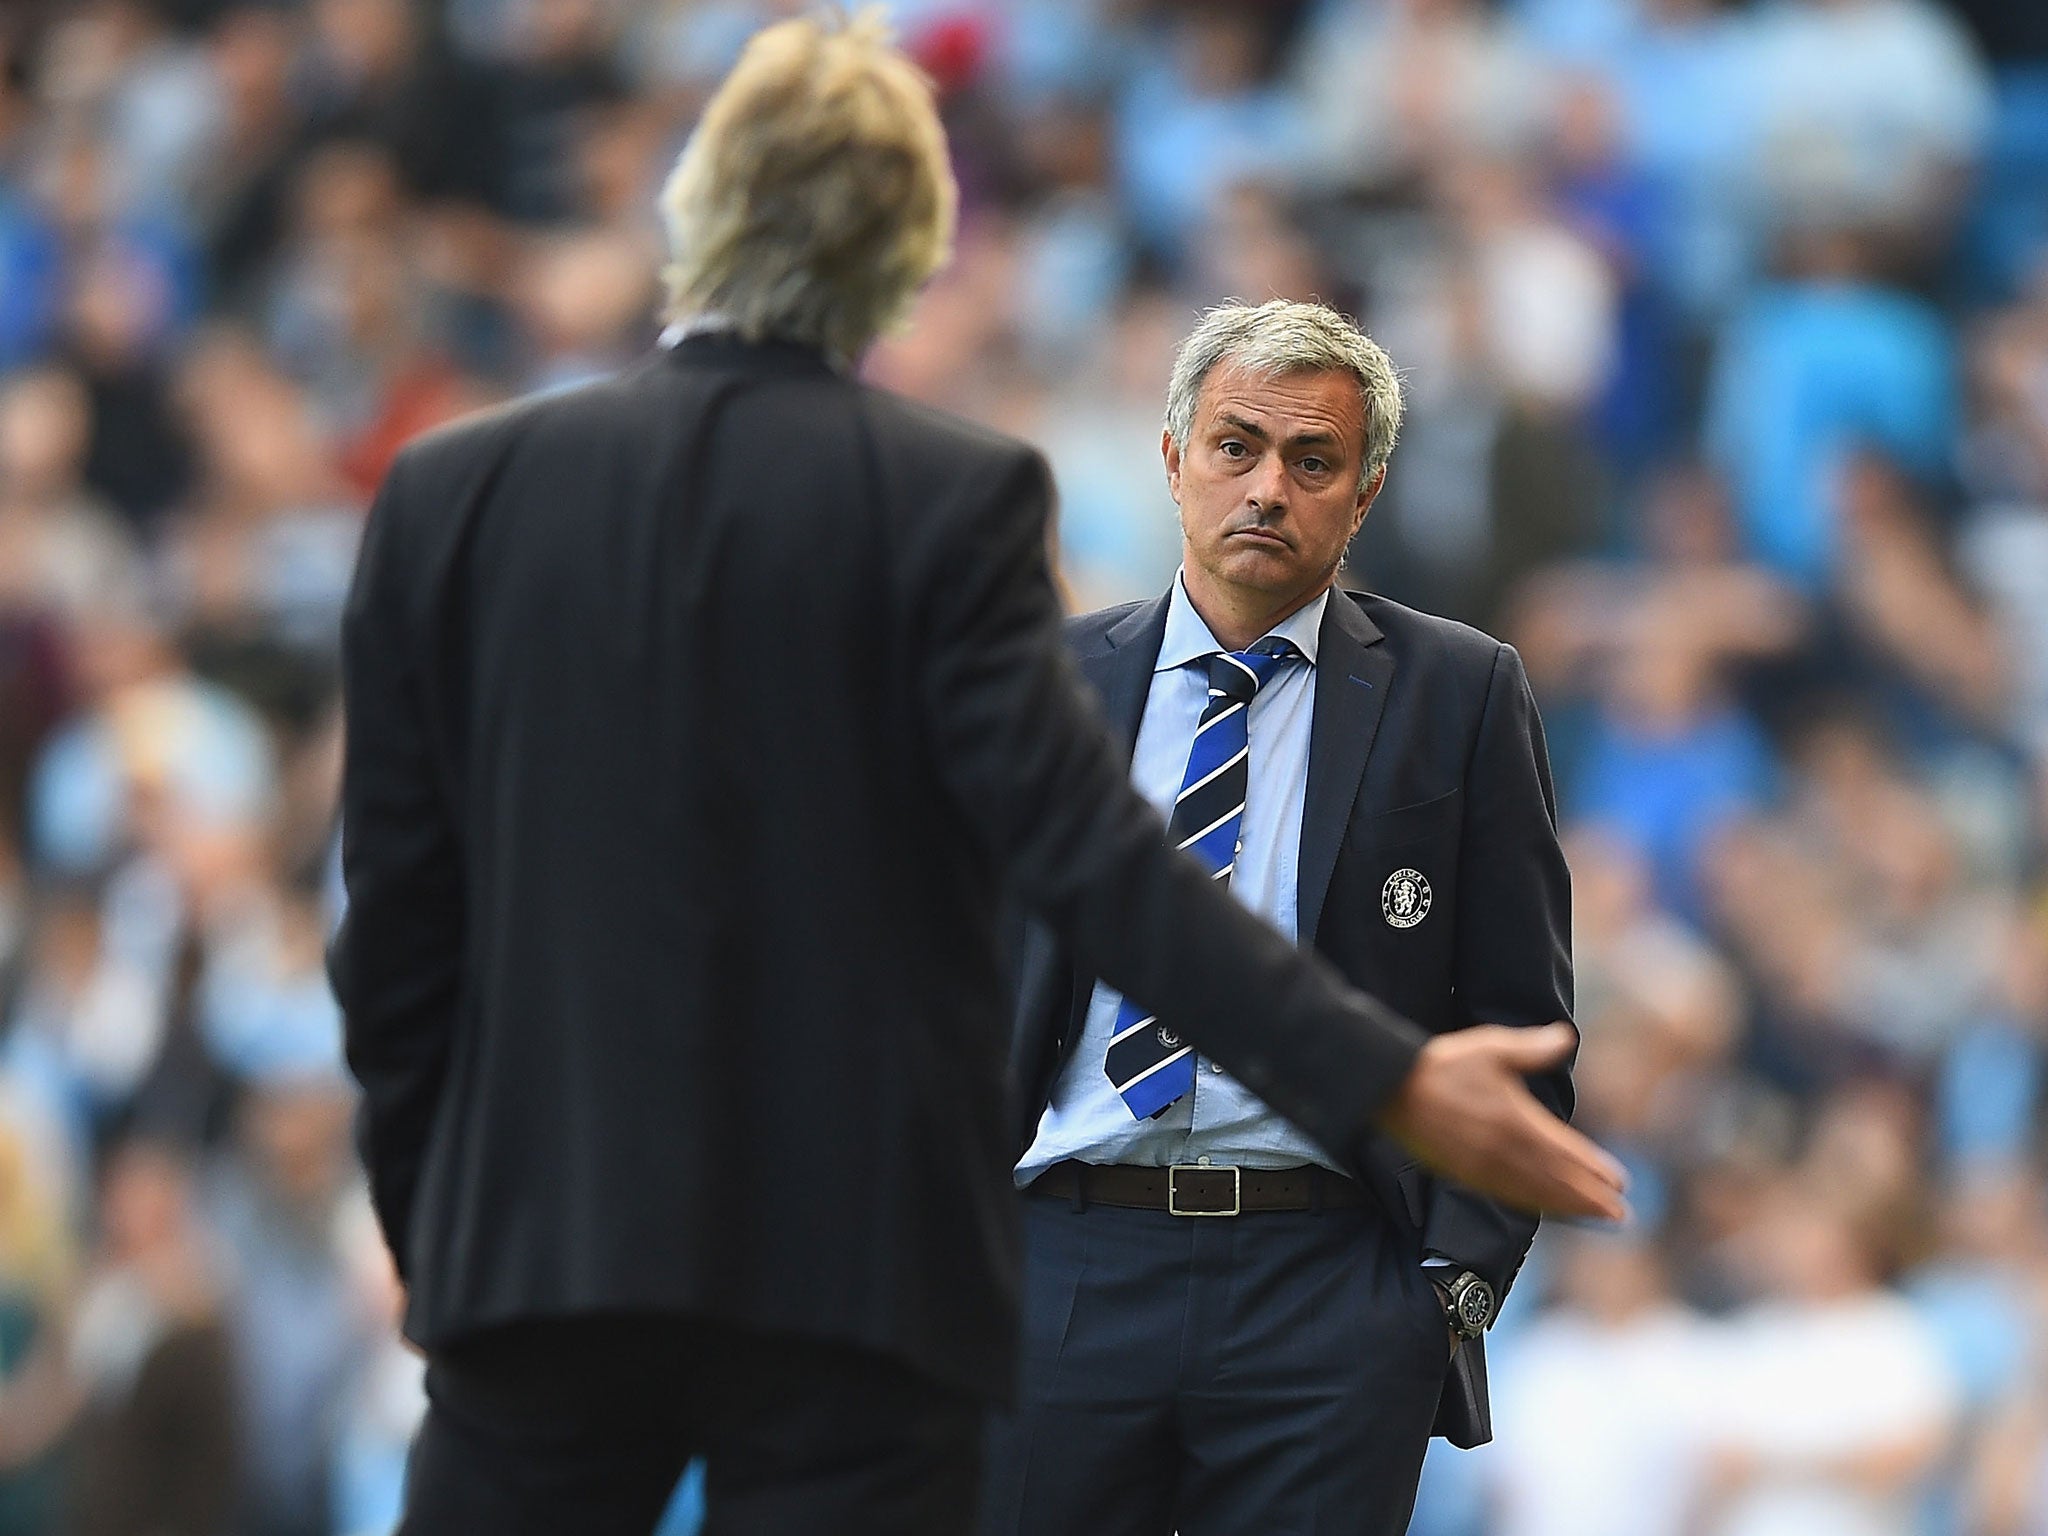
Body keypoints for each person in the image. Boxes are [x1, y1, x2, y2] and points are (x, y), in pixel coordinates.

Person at [329, 14, 1624, 1536]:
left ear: (690, 222)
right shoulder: (950, 496)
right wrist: (1389, 1074)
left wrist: (432, 1219)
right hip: (864, 1287)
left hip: (540, 1254)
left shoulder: (446, 495)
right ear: (905, 256)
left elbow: (397, 933)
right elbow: (1104, 866)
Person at [984, 300, 1576, 1536]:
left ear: (1360, 498)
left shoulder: (1459, 692)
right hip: (1061, 1265)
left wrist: (1441, 1298)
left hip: (1327, 1293)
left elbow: (1524, 1023)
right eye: (1233, 447)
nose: (1266, 487)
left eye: (1311, 463)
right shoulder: (1040, 681)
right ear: (1169, 459)